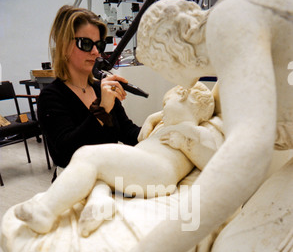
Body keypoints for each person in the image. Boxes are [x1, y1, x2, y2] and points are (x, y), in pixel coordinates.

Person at [61, 0, 292, 252]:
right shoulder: (200, 90)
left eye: (168, 77)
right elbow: (134, 137)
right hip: (154, 165)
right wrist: (142, 125)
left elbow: (242, 154)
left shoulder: (235, 22)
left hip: (177, 172)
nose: (175, 87)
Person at [15, 82, 224, 236]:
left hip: (159, 172)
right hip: (146, 166)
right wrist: (152, 119)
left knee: (88, 154)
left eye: (165, 103)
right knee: (98, 177)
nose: (162, 110)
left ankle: (45, 211)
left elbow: (212, 163)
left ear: (184, 95)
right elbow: (141, 138)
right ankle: (100, 203)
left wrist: (186, 144)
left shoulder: (197, 131)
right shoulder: (164, 126)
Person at [37, 5, 140, 170]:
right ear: (64, 45)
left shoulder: (101, 89)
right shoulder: (51, 97)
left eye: (98, 45)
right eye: (85, 43)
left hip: (109, 178)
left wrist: (157, 129)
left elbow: (128, 132)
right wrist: (102, 110)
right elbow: (66, 154)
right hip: (76, 185)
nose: (95, 52)